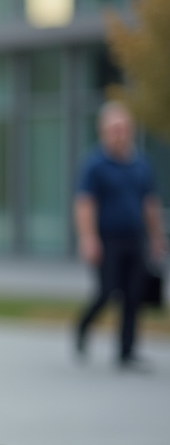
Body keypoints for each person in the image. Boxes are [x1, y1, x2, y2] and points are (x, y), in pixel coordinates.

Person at [74, 102, 165, 367]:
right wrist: (88, 238)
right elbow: (84, 204)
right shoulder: (95, 164)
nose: (120, 134)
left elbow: (149, 203)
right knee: (107, 291)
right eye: (114, 129)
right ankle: (83, 326)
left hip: (135, 237)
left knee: (133, 294)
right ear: (103, 131)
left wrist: (157, 237)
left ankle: (126, 351)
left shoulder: (140, 164)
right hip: (107, 238)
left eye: (124, 128)